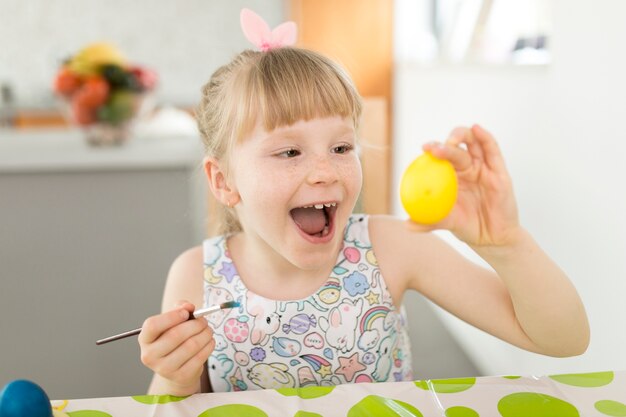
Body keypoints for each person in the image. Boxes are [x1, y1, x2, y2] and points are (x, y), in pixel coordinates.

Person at [138, 9, 589, 396]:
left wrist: (505, 243)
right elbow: (172, 404)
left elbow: (563, 339)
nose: (325, 171)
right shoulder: (197, 275)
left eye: (341, 147)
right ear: (223, 180)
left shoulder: (391, 247)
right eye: (290, 152)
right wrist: (172, 378)